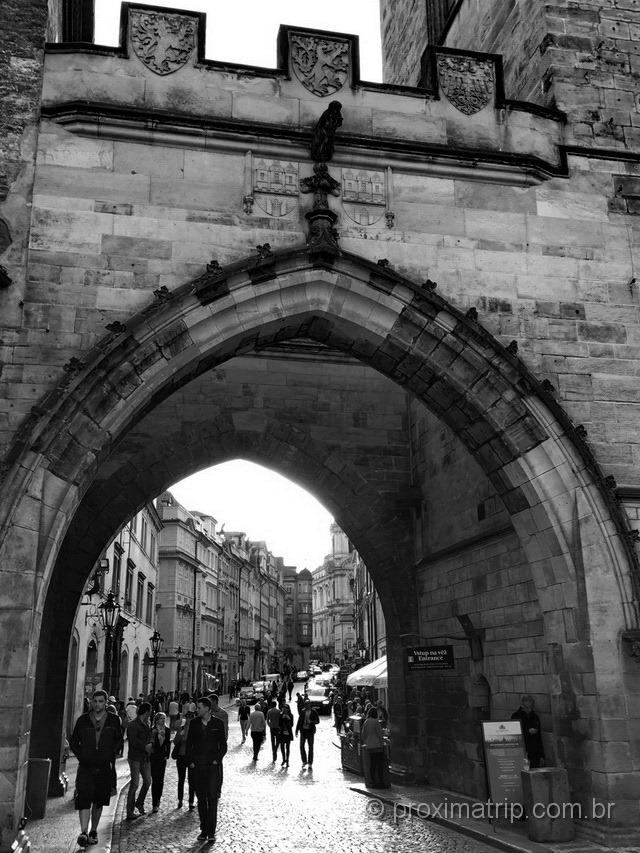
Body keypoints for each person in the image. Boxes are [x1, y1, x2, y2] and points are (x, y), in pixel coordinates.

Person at [70, 689, 123, 848]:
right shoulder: (83, 720)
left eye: (101, 701)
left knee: (98, 800)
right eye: (95, 701)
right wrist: (82, 756)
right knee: (84, 798)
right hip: (86, 766)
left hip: (104, 766)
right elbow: (74, 742)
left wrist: (109, 754)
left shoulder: (114, 720)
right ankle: (84, 832)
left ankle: (93, 830)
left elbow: (119, 740)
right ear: (92, 702)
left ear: (106, 703)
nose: (97, 704)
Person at [186, 697, 227, 843]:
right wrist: (190, 762)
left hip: (213, 767)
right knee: (201, 799)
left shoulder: (218, 723)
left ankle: (211, 832)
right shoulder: (194, 724)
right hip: (198, 767)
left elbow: (223, 745)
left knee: (212, 798)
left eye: (199, 707)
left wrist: (217, 759)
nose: (197, 710)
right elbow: (189, 744)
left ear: (207, 709)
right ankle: (204, 829)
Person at [125, 701, 152, 820]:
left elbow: (148, 738)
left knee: (147, 781)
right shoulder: (133, 725)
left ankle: (139, 802)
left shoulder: (147, 724)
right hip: (135, 757)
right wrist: (145, 746)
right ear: (146, 712)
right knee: (135, 784)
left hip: (145, 758)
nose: (150, 715)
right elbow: (133, 742)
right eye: (149, 712)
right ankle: (129, 811)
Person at [512, 695, 545, 768]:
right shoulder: (516, 716)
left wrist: (541, 755)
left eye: (531, 701)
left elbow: (539, 737)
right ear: (523, 703)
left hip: (534, 750)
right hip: (522, 749)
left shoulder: (535, 716)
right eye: (528, 701)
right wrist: (528, 732)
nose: (531, 703)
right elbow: (514, 734)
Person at [172, 717, 195, 810]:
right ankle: (180, 800)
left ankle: (191, 801)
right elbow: (175, 742)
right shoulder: (181, 730)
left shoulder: (195, 731)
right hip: (181, 757)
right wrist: (181, 735)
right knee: (181, 780)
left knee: (192, 780)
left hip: (191, 758)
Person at [149, 711, 171, 813]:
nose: (163, 720)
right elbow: (150, 744)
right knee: (155, 780)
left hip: (162, 758)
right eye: (161, 718)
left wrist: (167, 755)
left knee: (160, 780)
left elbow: (168, 744)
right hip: (154, 758)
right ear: (157, 719)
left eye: (164, 718)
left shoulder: (167, 730)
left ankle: (158, 800)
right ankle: (154, 803)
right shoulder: (152, 730)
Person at [361, 707, 386, 788]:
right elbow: (379, 734)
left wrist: (367, 742)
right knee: (379, 765)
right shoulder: (376, 722)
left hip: (369, 746)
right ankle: (380, 782)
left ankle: (373, 782)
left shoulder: (366, 722)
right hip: (377, 745)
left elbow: (363, 734)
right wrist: (382, 743)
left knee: (372, 764)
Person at [295, 699, 320, 769]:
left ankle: (310, 763)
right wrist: (297, 730)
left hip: (310, 731)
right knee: (301, 746)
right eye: (305, 704)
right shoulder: (302, 711)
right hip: (303, 731)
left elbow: (317, 721)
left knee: (310, 747)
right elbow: (299, 721)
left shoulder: (314, 712)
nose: (306, 705)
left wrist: (311, 722)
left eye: (308, 704)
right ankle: (304, 761)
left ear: (310, 704)